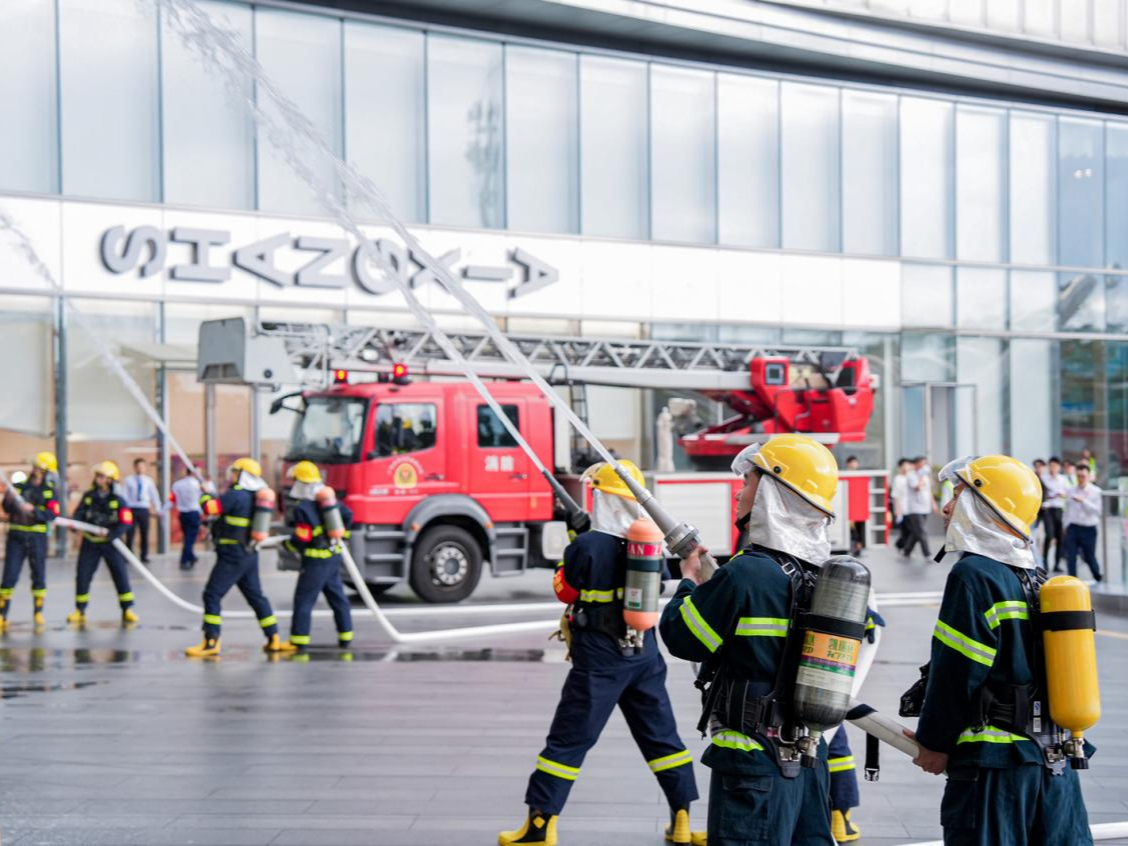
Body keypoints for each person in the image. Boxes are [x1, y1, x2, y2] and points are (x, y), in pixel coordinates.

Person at [500, 460, 702, 846]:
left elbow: (565, 590)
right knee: (662, 738)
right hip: (644, 653)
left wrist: (575, 542)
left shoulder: (588, 545)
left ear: (602, 497)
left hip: (600, 656)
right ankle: (681, 818)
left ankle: (540, 826)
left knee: (568, 739)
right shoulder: (648, 542)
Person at [660, 433, 839, 846]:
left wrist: (688, 583)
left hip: (753, 761)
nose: (739, 493)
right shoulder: (824, 575)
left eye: (749, 482)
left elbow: (684, 638)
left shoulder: (748, 573)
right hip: (809, 756)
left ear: (775, 493)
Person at [904, 455, 1092, 845]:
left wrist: (934, 743)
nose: (946, 506)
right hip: (1053, 761)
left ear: (985, 503)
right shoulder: (1035, 576)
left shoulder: (974, 574)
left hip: (995, 771)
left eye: (957, 494)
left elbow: (956, 673)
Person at [185, 458, 286, 658]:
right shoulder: (251, 496)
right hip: (248, 553)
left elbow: (210, 509)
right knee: (256, 597)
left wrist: (205, 494)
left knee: (212, 595)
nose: (230, 475)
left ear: (242, 474)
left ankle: (211, 641)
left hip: (232, 555)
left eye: (234, 472)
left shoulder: (235, 495)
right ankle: (273, 637)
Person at [277, 461, 354, 651]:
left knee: (304, 599)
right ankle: (346, 636)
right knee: (337, 598)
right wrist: (341, 534)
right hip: (333, 556)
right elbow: (349, 516)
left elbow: (303, 536)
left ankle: (298, 640)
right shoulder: (329, 501)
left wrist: (288, 544)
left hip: (315, 560)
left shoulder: (303, 507)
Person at [69, 461, 138, 625]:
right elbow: (78, 514)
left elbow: (126, 522)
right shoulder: (88, 497)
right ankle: (80, 610)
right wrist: (75, 525)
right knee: (83, 576)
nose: (98, 479)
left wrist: (112, 535)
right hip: (90, 542)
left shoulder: (118, 500)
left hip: (111, 544)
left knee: (120, 575)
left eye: (102, 476)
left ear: (110, 479)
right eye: (98, 476)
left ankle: (127, 608)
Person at [0, 452, 61, 629]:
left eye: (39, 468)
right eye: (35, 467)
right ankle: (3, 614)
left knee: (39, 575)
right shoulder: (19, 486)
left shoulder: (50, 491)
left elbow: (52, 514)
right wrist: (10, 500)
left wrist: (33, 510)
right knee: (9, 576)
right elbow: (7, 508)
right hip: (16, 538)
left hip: (37, 538)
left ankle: (38, 612)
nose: (36, 470)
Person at [1063, 464, 1102, 583]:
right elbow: (1068, 510)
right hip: (1073, 527)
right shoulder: (1071, 490)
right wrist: (1065, 525)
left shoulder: (1096, 491)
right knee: (1071, 556)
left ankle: (1098, 577)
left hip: (1089, 528)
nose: (1080, 478)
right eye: (1078, 476)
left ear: (1089, 476)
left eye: (1083, 476)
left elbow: (1097, 511)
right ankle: (1073, 582)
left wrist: (1083, 501)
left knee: (1089, 556)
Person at [123, 458, 162, 564]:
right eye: (138, 466)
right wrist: (124, 509)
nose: (140, 468)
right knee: (130, 533)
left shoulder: (148, 481)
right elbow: (124, 495)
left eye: (142, 466)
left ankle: (144, 555)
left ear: (145, 468)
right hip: (131, 509)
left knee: (144, 533)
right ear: (135, 467)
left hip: (144, 508)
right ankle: (128, 555)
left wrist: (158, 508)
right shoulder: (129, 480)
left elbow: (154, 495)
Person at [170, 466, 203, 570]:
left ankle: (191, 556)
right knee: (190, 538)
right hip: (193, 513)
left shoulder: (177, 484)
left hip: (183, 513)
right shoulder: (198, 485)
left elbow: (172, 499)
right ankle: (184, 560)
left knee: (188, 536)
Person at [902, 456, 934, 559]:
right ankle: (927, 554)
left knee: (916, 532)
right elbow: (917, 488)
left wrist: (933, 503)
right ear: (916, 464)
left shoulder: (925, 476)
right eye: (922, 463)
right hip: (915, 508)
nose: (924, 465)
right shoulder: (911, 475)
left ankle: (907, 550)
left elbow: (928, 491)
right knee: (922, 531)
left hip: (925, 507)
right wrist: (920, 476)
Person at [1040, 457, 1067, 573]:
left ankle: (1056, 563)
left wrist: (1062, 494)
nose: (1053, 468)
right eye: (1051, 466)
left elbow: (1068, 493)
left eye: (1055, 466)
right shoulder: (1043, 479)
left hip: (1059, 509)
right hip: (1047, 509)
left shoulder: (1063, 480)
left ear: (1059, 467)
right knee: (1049, 535)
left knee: (1060, 537)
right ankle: (1044, 561)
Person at [845, 456, 866, 557]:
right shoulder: (845, 476)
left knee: (859, 529)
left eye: (855, 462)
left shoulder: (861, 476)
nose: (854, 464)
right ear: (848, 464)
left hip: (859, 507)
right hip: (848, 507)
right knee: (851, 530)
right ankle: (854, 547)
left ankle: (858, 548)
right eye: (852, 462)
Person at [891, 458, 911, 552]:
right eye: (904, 465)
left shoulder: (911, 477)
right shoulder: (898, 479)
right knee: (906, 529)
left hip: (912, 508)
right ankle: (902, 546)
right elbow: (895, 495)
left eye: (908, 465)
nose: (907, 467)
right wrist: (897, 510)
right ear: (900, 467)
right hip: (902, 508)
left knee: (910, 529)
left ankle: (901, 545)